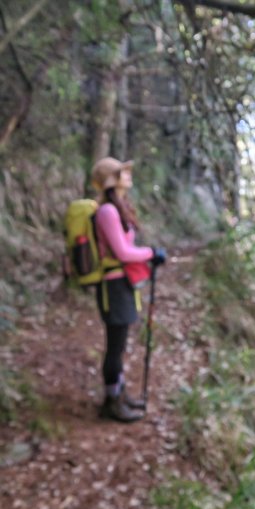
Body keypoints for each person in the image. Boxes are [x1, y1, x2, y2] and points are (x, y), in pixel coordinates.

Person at [90, 157, 166, 423]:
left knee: (119, 345)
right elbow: (122, 251)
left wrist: (147, 254)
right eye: (122, 172)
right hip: (113, 285)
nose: (128, 175)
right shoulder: (107, 211)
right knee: (115, 345)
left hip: (122, 284)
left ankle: (119, 395)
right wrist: (151, 253)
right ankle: (111, 402)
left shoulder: (116, 208)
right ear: (112, 180)